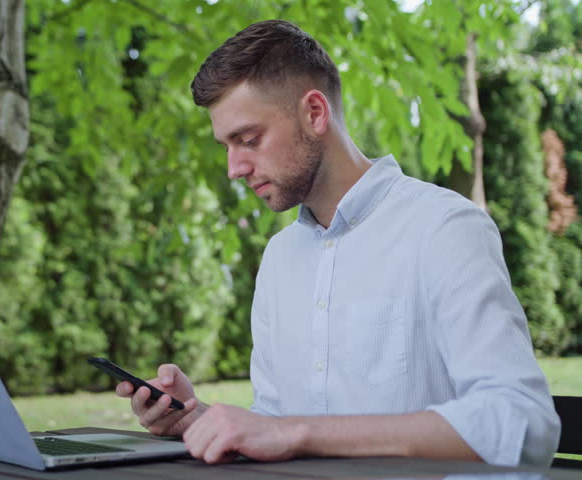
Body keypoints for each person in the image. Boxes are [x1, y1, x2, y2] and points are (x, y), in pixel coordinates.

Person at [115, 19, 560, 468]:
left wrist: (295, 432)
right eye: (226, 146)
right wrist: (196, 420)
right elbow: (275, 425)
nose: (234, 168)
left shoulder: (443, 228)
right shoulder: (279, 258)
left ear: (314, 113)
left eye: (249, 140)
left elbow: (523, 422)